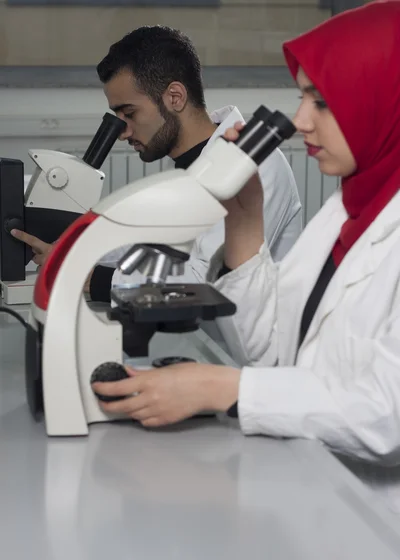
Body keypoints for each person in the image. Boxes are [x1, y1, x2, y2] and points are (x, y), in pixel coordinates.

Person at [92, 2, 400, 509]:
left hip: (372, 523)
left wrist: (224, 389)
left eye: (320, 101)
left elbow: (385, 417)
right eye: (302, 98)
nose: (301, 120)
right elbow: (274, 357)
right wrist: (244, 223)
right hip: (305, 484)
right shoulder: (344, 212)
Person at [11, 26, 302, 302]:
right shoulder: (194, 166)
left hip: (247, 351)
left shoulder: (253, 162)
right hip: (201, 337)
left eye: (130, 113)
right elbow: (150, 252)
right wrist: (74, 250)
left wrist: (86, 277)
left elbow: (208, 282)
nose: (123, 131)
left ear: (174, 97)